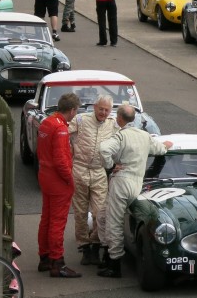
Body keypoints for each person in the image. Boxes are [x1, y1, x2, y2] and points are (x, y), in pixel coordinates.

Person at [97, 104, 173, 278]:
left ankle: (114, 264)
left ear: (119, 119)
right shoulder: (145, 136)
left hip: (122, 181)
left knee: (114, 222)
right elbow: (159, 149)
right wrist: (167, 145)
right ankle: (116, 250)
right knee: (112, 216)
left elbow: (103, 149)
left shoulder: (121, 136)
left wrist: (110, 166)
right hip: (136, 184)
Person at [36, 92, 82, 278]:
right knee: (57, 222)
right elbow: (61, 161)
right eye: (76, 111)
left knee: (46, 218)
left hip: (45, 176)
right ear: (72, 110)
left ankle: (45, 257)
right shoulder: (61, 129)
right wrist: (70, 180)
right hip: (58, 180)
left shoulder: (47, 122)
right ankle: (57, 262)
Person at [67, 95, 117, 266]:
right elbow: (64, 135)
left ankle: (95, 244)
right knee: (80, 213)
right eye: (101, 108)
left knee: (99, 212)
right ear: (95, 107)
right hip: (79, 170)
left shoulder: (112, 124)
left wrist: (118, 163)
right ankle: (84, 247)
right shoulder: (81, 119)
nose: (103, 112)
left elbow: (120, 144)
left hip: (99, 172)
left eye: (107, 110)